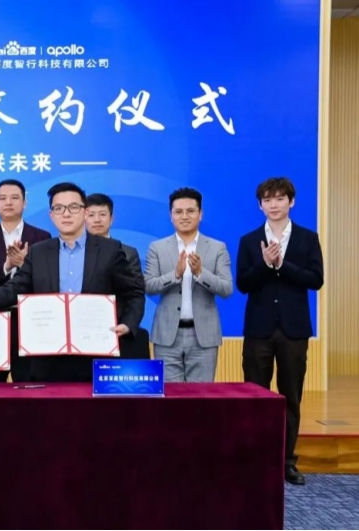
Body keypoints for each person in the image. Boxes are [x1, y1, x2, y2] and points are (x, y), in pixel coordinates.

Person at [0, 183, 145, 382]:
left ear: (85, 212)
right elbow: (12, 289)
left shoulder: (110, 249)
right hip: (48, 353)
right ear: (51, 215)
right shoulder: (38, 252)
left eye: (73, 207)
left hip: (96, 351)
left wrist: (128, 323)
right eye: (59, 208)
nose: (66, 214)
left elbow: (133, 292)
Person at [237, 176, 323, 486]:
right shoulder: (249, 240)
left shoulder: (307, 238)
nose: (273, 205)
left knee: (291, 397)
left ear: (291, 202)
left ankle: (287, 462)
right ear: (260, 205)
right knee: (254, 396)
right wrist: (264, 264)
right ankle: (255, 459)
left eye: (279, 199)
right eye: (267, 200)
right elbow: (243, 283)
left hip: (294, 330)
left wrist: (282, 264)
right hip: (258, 330)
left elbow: (316, 280)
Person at [144, 188, 233, 382]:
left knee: (201, 397)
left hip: (204, 337)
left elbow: (226, 289)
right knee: (170, 396)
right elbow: (148, 286)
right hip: (167, 335)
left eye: (190, 211)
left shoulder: (217, 248)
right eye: (178, 212)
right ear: (171, 216)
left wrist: (200, 273)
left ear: (200, 214)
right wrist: (175, 275)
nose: (184, 216)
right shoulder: (157, 248)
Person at [0, 179, 51, 382]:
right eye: (2, 198)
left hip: (31, 320)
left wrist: (25, 264)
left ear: (24, 202)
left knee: (29, 381)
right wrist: (6, 266)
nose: (8, 202)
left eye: (14, 198)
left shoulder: (42, 236)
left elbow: (48, 279)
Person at [85, 193, 150, 359]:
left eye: (102, 214)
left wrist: (128, 324)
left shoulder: (128, 252)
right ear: (83, 218)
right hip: (83, 331)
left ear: (111, 218)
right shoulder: (73, 252)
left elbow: (136, 292)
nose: (97, 220)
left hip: (116, 330)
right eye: (91, 215)